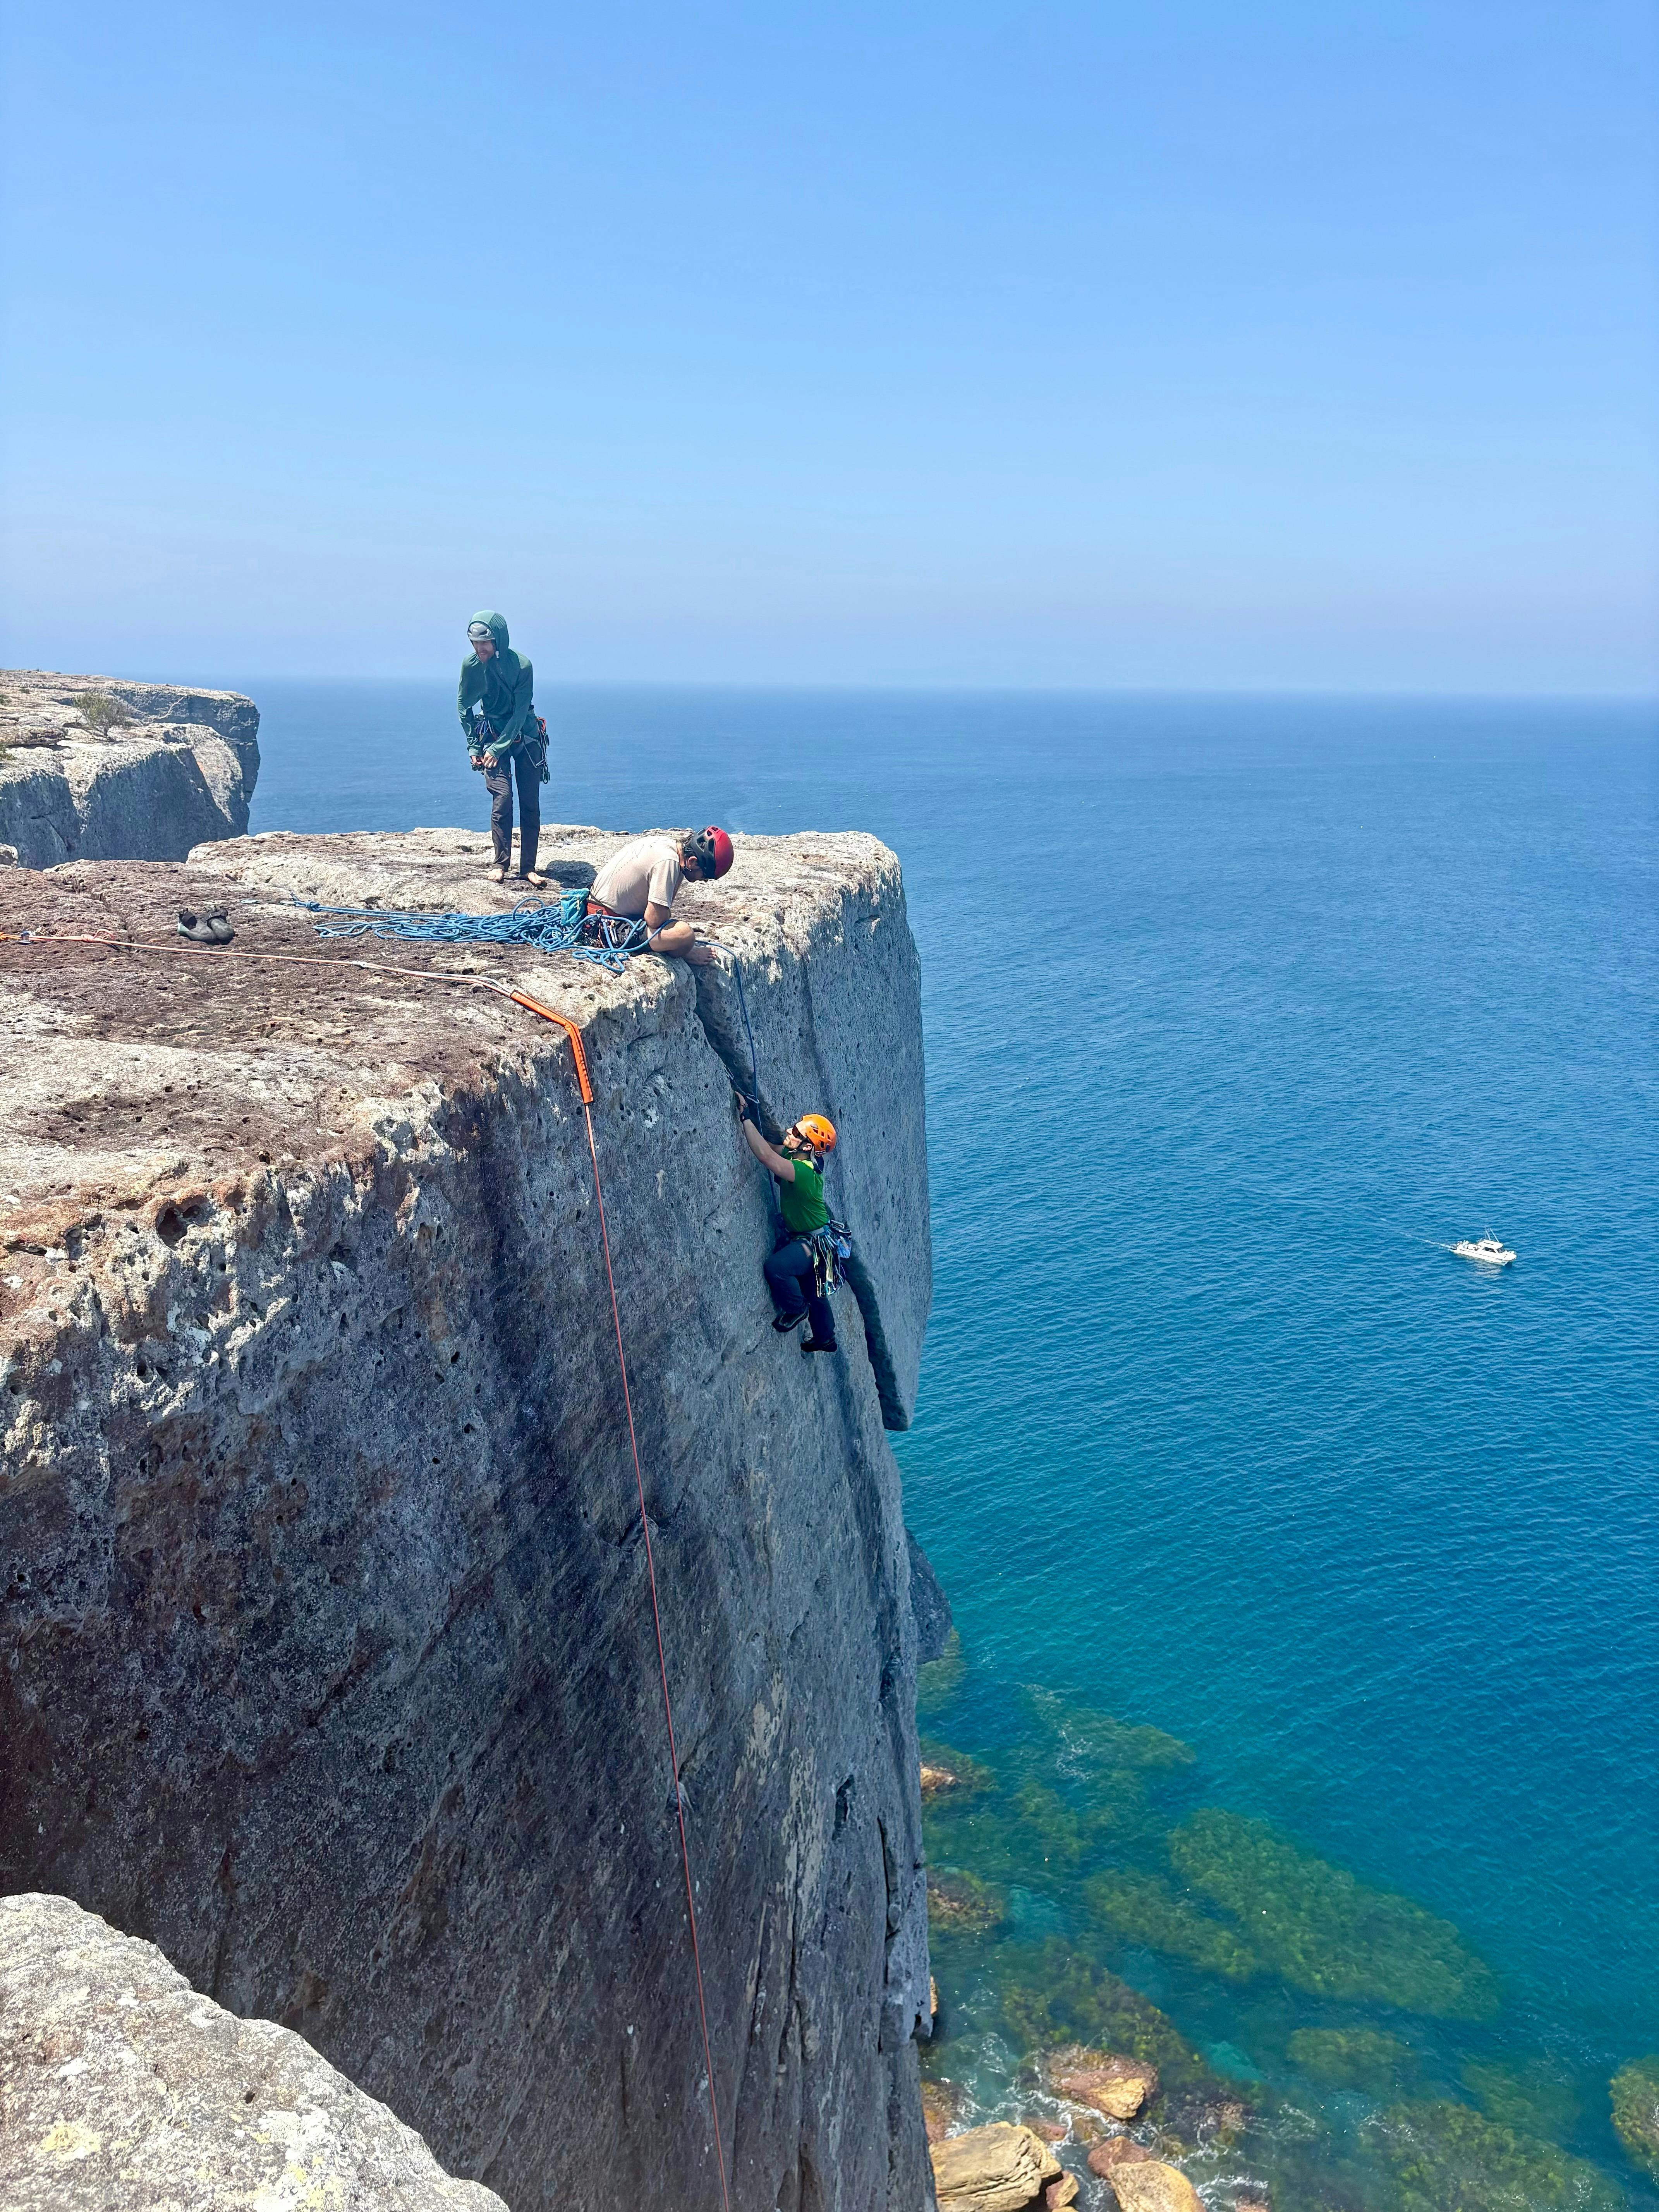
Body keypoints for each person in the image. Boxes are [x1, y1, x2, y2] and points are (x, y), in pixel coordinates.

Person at [738, 1103, 842, 1355]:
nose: (789, 1132)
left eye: (796, 1132)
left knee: (777, 1269)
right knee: (814, 1291)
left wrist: (745, 1119)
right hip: (819, 1239)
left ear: (808, 1146)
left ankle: (796, 1309)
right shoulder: (801, 1157)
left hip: (812, 1243)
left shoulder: (804, 1172)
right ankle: (825, 1338)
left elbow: (766, 1157)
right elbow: (773, 1149)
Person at [458, 611, 549, 888]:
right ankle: (500, 864)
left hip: (526, 737)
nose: (480, 649)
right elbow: (465, 706)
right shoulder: (471, 665)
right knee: (503, 798)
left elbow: (521, 711)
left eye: (485, 643)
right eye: (475, 643)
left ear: (500, 640)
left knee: (530, 804)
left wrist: (498, 748)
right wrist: (474, 745)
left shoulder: (522, 666)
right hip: (492, 734)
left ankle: (529, 868)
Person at [586, 827, 733, 965]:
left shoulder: (666, 844)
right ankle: (688, 954)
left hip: (595, 914)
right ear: (693, 862)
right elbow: (654, 919)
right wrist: (686, 949)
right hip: (608, 927)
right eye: (705, 876)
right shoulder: (668, 862)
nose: (704, 880)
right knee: (684, 935)